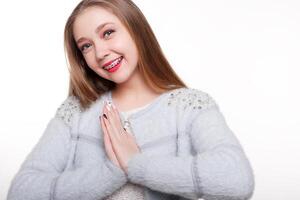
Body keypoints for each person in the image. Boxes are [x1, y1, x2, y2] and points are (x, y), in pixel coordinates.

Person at [7, 0, 255, 199]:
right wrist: (112, 171)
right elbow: (21, 191)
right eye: (86, 46)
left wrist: (137, 164)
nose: (100, 53)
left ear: (135, 28)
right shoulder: (76, 111)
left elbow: (237, 179)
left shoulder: (189, 106)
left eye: (108, 32)